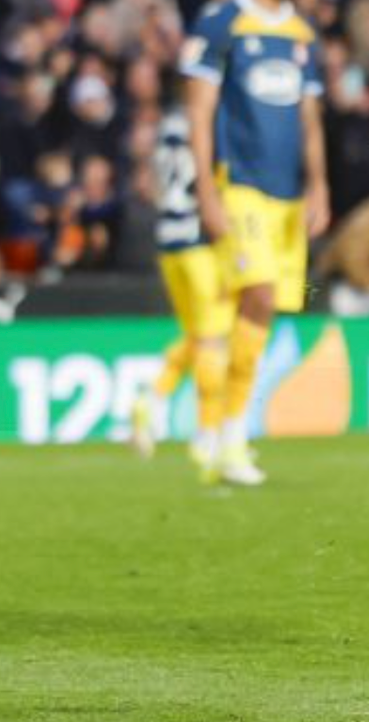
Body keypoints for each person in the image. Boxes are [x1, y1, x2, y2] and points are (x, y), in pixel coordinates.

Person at [181, 0, 329, 486]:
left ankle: (221, 431)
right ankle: (232, 436)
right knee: (258, 297)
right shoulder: (220, 23)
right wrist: (206, 189)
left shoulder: (301, 33)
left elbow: (311, 119)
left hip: (289, 196)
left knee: (260, 313)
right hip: (239, 185)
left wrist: (320, 185)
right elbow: (198, 114)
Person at [128, 105, 230, 470]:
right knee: (212, 339)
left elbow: (152, 184)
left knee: (195, 334)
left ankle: (151, 400)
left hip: (168, 240)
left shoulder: (168, 125)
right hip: (198, 241)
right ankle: (207, 434)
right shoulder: (209, 120)